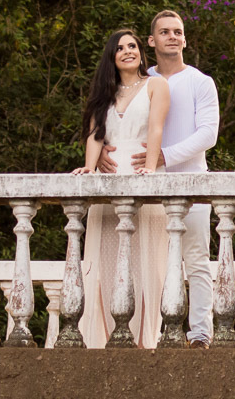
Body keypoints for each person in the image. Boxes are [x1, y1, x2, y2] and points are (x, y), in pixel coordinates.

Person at [98, 9, 219, 349]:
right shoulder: (139, 80)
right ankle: (149, 333)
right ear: (151, 41)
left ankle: (199, 335)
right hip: (144, 187)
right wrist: (107, 150)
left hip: (190, 183)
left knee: (195, 261)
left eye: (178, 31)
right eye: (164, 32)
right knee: (146, 263)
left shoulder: (200, 82)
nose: (172, 36)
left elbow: (208, 134)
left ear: (185, 39)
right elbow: (115, 117)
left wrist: (167, 156)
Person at [74, 29, 170, 348]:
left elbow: (156, 127)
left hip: (143, 177)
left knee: (147, 264)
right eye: (119, 48)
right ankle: (104, 340)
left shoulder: (156, 85)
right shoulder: (105, 94)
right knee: (107, 263)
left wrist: (151, 165)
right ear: (111, 58)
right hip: (110, 184)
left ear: (141, 52)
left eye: (132, 46)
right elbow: (95, 134)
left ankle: (147, 342)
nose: (127, 51)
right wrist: (90, 166)